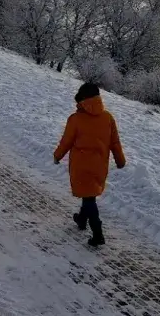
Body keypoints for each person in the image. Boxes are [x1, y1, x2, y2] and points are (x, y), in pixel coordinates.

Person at [53, 82, 126, 247]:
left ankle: (98, 234)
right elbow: (115, 142)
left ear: (82, 99)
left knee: (88, 198)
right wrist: (120, 160)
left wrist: (57, 156)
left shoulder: (76, 119)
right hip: (100, 166)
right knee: (89, 194)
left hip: (81, 166)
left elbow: (66, 142)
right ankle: (81, 219)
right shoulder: (108, 118)